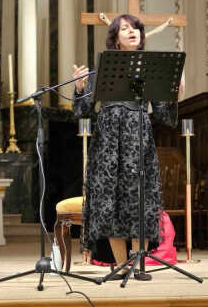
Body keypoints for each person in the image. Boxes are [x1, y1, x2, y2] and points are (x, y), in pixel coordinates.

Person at [72, 14, 182, 280]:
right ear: (115, 37)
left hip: (138, 136)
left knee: (140, 198)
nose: (132, 31)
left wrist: (174, 94)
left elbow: (164, 115)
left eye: (136, 28)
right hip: (108, 139)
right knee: (111, 200)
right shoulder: (103, 68)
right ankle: (121, 264)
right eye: (125, 28)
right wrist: (79, 88)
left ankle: (139, 263)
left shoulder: (150, 68)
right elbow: (82, 111)